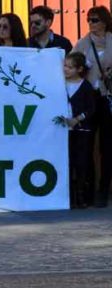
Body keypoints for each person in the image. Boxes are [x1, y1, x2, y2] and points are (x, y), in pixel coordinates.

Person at [73, 6, 112, 207]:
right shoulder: (83, 43)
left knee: (107, 146)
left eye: (95, 20)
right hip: (90, 98)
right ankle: (86, 191)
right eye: (88, 19)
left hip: (108, 99)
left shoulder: (111, 40)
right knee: (86, 144)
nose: (91, 23)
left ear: (105, 21)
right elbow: (71, 64)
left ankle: (104, 189)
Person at [61, 52, 96, 209]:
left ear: (80, 69)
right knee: (67, 162)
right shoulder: (60, 84)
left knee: (81, 162)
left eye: (70, 67)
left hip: (82, 131)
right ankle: (68, 195)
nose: (66, 69)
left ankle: (82, 195)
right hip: (65, 130)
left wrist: (77, 119)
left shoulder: (86, 86)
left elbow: (91, 109)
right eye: (65, 66)